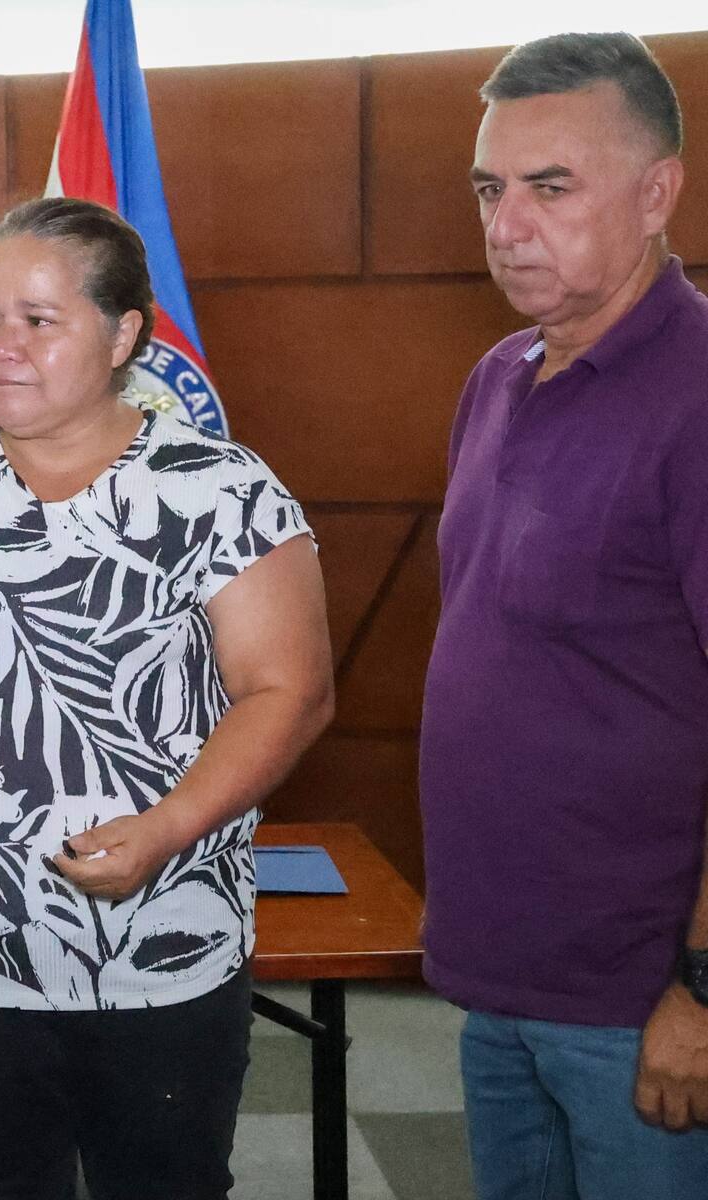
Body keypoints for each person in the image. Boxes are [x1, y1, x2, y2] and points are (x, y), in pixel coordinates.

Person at [0, 196, 334, 1199]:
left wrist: (169, 826)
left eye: (37, 320)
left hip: (163, 934)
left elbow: (291, 692)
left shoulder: (220, 488)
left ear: (126, 332)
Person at [420, 32, 708, 1199]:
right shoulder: (498, 378)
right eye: (491, 189)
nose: (506, 224)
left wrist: (701, 981)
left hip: (644, 1001)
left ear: (656, 193)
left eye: (550, 187)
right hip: (502, 976)